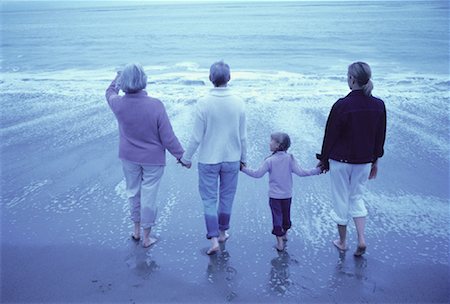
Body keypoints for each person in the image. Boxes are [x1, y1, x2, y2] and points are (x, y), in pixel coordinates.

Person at [106, 63, 184, 248]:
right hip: (153, 159)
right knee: (149, 196)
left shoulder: (118, 103)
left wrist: (117, 78)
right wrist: (181, 156)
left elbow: (109, 91)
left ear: (124, 81)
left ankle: (136, 230)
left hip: (128, 157)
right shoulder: (155, 105)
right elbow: (168, 137)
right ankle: (147, 237)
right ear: (144, 80)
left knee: (133, 192)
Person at [316, 61, 387, 257]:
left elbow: (330, 135)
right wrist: (375, 161)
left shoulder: (342, 105)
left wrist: (323, 160)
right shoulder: (379, 105)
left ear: (352, 79)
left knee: (340, 200)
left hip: (341, 161)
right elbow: (379, 136)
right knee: (357, 197)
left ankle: (343, 241)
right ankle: (362, 239)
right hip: (364, 161)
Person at [180, 61, 247, 255]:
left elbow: (196, 137)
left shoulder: (204, 102)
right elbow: (243, 136)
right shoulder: (239, 102)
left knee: (209, 199)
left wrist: (186, 157)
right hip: (232, 158)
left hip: (208, 159)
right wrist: (244, 158)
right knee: (227, 197)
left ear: (210, 79)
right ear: (229, 78)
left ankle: (213, 240)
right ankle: (223, 232)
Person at [241, 132, 322, 251]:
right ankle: (285, 235)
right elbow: (302, 172)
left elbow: (257, 174)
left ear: (278, 145)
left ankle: (279, 243)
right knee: (286, 216)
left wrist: (243, 169)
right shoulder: (290, 158)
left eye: (272, 141)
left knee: (277, 217)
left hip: (274, 196)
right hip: (287, 195)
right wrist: (318, 170)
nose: (269, 143)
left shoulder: (270, 160)